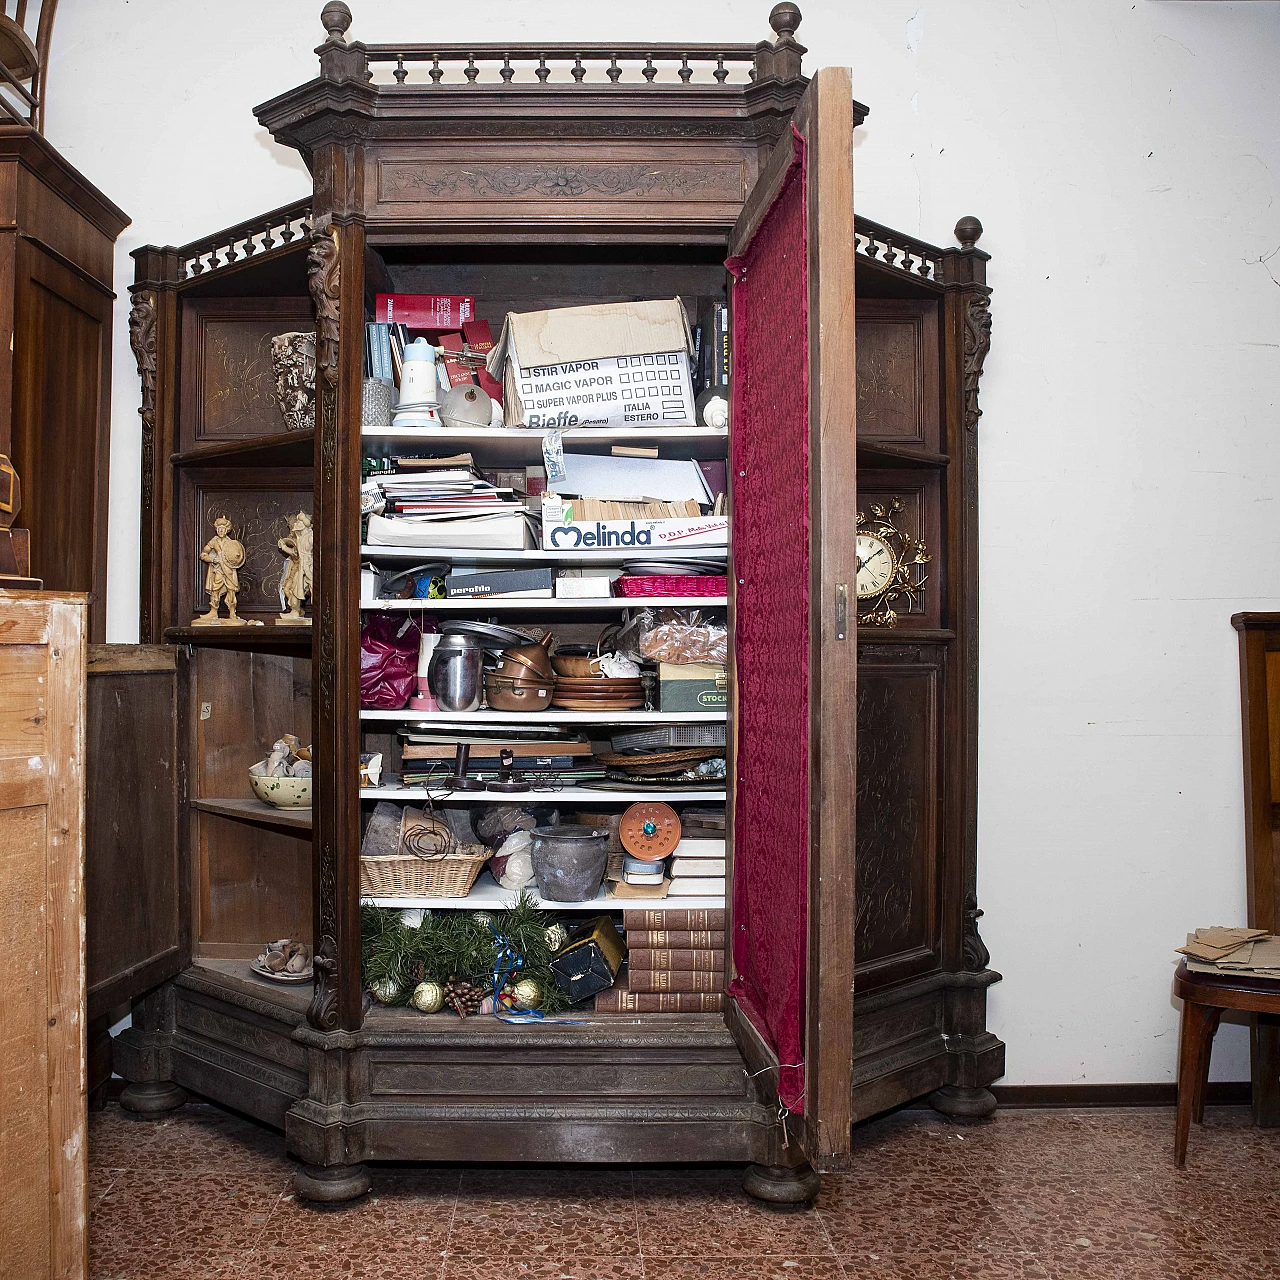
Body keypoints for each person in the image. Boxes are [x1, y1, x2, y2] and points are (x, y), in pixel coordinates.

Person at [194, 515, 247, 624]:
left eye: (223, 529)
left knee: (231, 590)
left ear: (227, 530)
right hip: (218, 569)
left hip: (229, 570)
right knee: (215, 590)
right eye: (219, 529)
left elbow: (236, 555)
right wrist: (213, 559)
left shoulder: (231, 543)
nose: (221, 531)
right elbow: (203, 554)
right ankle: (213, 612)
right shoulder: (214, 541)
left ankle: (232, 612)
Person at [277, 511, 314, 622]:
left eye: (299, 521)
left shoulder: (310, 537)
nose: (296, 524)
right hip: (301, 568)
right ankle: (295, 611)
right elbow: (295, 553)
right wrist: (284, 547)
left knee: (314, 589)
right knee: (294, 589)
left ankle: (321, 613)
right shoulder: (299, 538)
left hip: (310, 568)